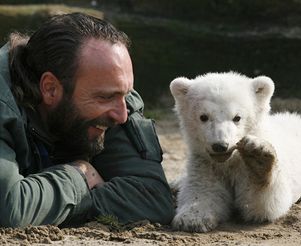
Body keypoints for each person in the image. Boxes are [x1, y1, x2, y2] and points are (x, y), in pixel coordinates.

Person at [0, 12, 174, 227]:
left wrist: (49, 202)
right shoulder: (4, 104)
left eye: (125, 94)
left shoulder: (111, 95)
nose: (121, 115)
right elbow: (9, 209)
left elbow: (152, 198)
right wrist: (78, 177)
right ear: (50, 88)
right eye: (105, 97)